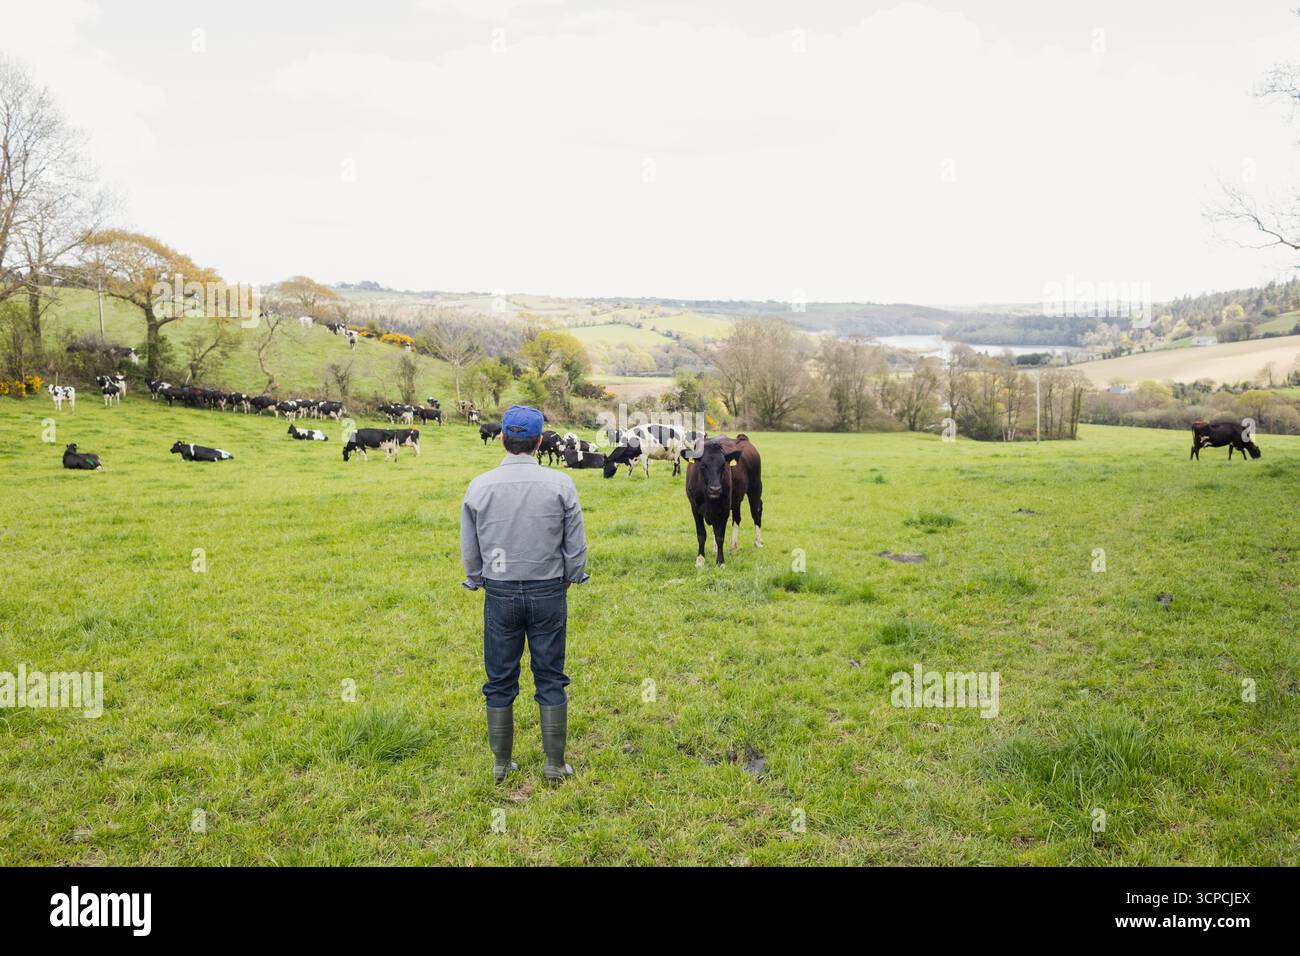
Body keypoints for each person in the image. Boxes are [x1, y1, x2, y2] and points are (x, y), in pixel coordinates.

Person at [460, 404, 589, 784]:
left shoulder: (479, 485)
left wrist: (476, 578)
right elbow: (576, 545)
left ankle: (501, 763)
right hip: (549, 589)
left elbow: (471, 547)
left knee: (499, 677)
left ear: (501, 439)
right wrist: (571, 576)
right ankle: (554, 764)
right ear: (538, 443)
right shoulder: (561, 484)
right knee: (550, 674)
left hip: (499, 593)